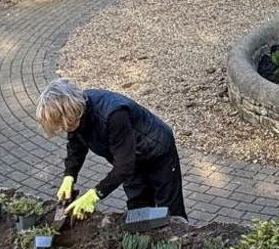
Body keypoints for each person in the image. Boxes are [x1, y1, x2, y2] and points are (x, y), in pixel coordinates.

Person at [36, 78, 186, 223]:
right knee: (138, 210)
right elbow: (76, 146)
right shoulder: (76, 116)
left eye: (65, 125)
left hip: (157, 152)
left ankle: (180, 244)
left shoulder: (114, 114)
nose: (64, 129)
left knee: (170, 210)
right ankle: (147, 244)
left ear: (72, 110)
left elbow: (124, 167)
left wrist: (95, 194)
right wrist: (69, 176)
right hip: (131, 159)